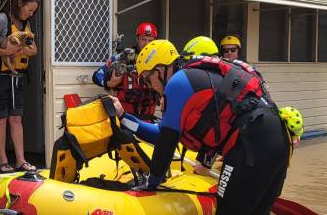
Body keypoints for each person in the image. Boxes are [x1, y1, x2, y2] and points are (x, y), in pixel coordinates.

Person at [111, 37, 290, 215]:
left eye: (147, 80)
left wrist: (152, 183)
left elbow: (166, 141)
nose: (149, 87)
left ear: (159, 70)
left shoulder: (177, 83)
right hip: (280, 140)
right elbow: (162, 134)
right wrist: (123, 117)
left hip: (250, 144)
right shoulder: (197, 76)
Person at [0, 0, 39, 173]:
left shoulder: (26, 25)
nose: (30, 14)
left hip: (19, 77)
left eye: (33, 11)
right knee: (1, 120)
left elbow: (34, 51)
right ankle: (3, 160)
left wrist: (20, 50)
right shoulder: (2, 19)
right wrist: (7, 52)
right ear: (20, 3)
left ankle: (21, 160)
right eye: (29, 10)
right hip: (1, 77)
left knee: (16, 119)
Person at [92, 23, 160, 122]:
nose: (146, 44)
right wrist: (108, 83)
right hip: (123, 119)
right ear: (137, 39)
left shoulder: (160, 61)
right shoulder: (124, 56)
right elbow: (97, 75)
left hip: (148, 121)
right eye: (143, 39)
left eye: (150, 40)